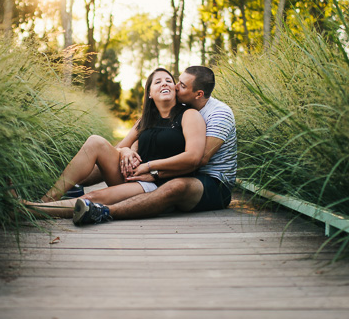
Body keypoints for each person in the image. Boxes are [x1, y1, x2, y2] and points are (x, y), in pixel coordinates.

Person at [16, 68, 207, 219]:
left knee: (91, 198)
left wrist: (149, 168)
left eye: (168, 81)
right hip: (132, 176)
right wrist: (125, 151)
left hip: (155, 184)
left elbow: (193, 157)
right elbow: (118, 147)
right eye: (157, 82)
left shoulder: (189, 115)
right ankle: (46, 199)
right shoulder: (145, 120)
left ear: (175, 89)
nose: (164, 83)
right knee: (95, 142)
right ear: (150, 93)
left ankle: (29, 210)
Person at [73, 65, 237, 225]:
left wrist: (153, 172)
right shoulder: (185, 106)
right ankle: (74, 184)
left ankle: (104, 211)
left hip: (213, 182)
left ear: (198, 94)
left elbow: (199, 160)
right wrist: (129, 151)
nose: (175, 86)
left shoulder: (218, 113)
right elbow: (144, 138)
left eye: (182, 85)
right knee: (117, 154)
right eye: (178, 81)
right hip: (187, 174)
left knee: (174, 186)